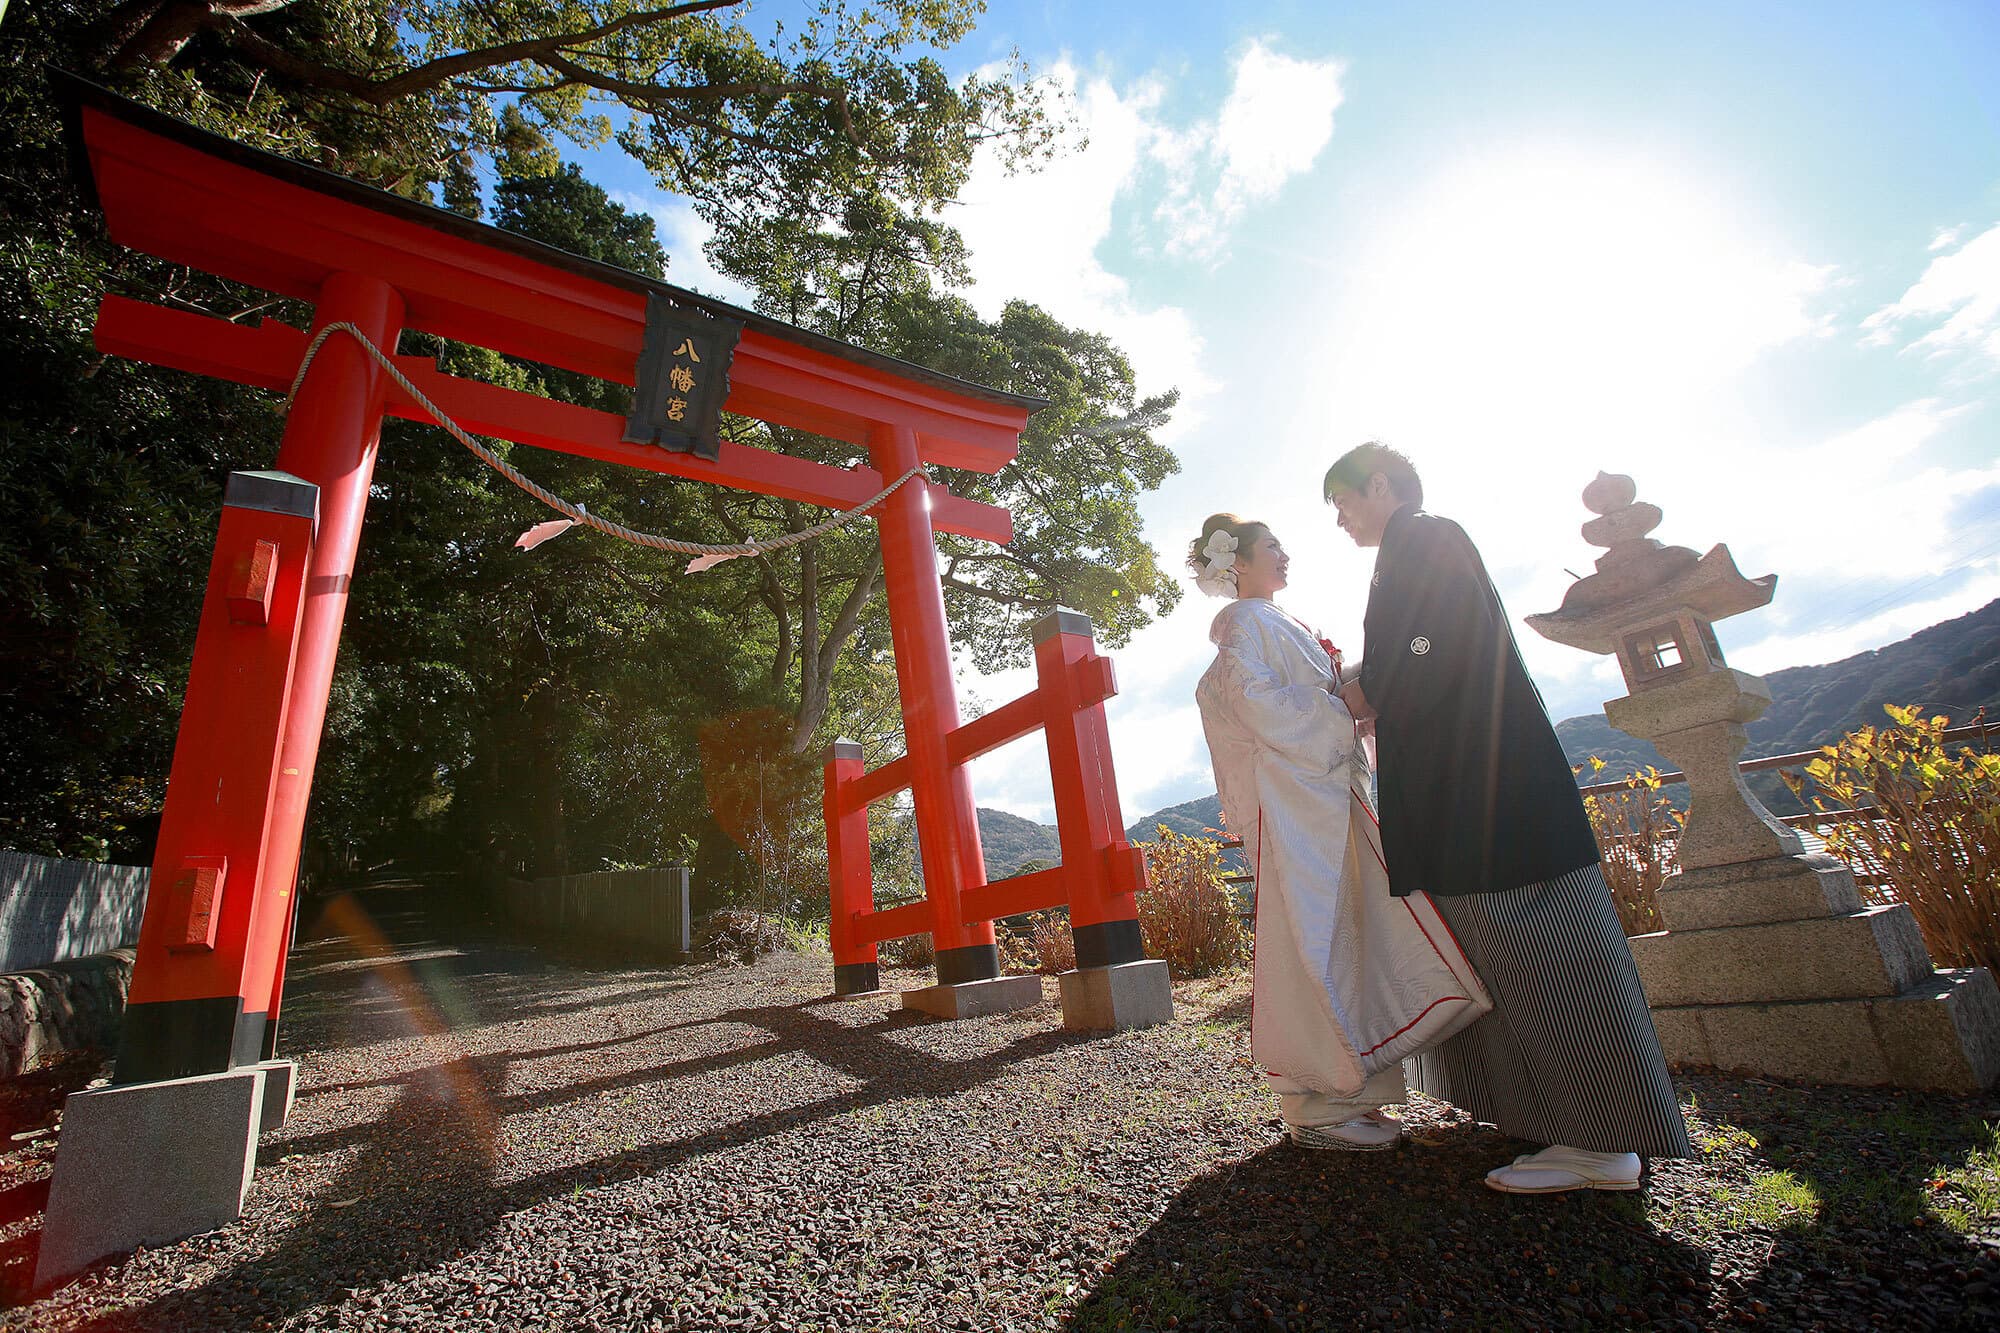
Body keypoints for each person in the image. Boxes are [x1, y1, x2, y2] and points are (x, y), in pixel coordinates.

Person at [1323, 442, 1692, 1192]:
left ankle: (1602, 1142)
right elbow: (1414, 652)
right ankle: (1555, 1120)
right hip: (1468, 788)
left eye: (1344, 502)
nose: (1340, 521)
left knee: (1545, 951)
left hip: (1486, 791)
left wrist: (1365, 691)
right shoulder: (1406, 551)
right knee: (1504, 956)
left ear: (1381, 485)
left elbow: (1431, 647)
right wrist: (1367, 681)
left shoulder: (1428, 535)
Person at [1190, 513, 1490, 1151]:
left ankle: (1359, 1087)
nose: (1283, 553)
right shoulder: (1245, 623)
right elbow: (1257, 704)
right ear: (1237, 563)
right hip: (1296, 800)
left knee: (1347, 932)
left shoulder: (1274, 621)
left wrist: (1354, 690)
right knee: (1313, 935)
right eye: (1272, 545)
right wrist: (1343, 705)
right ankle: (1314, 1102)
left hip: (1320, 794)